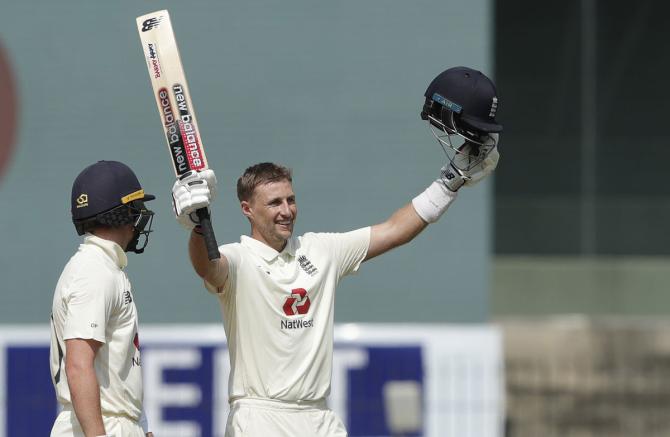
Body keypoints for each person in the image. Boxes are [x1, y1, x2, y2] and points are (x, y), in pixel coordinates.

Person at [171, 66, 503, 436]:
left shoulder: (320, 250)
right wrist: (197, 224)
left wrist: (449, 183)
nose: (286, 211)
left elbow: (394, 231)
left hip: (319, 417)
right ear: (247, 209)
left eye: (291, 200)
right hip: (260, 417)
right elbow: (207, 266)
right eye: (274, 203)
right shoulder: (239, 259)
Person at [50, 160, 155, 437]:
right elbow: (78, 364)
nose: (139, 218)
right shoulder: (94, 270)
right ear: (121, 213)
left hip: (109, 422)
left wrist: (140, 427)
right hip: (99, 426)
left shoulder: (103, 267)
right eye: (135, 209)